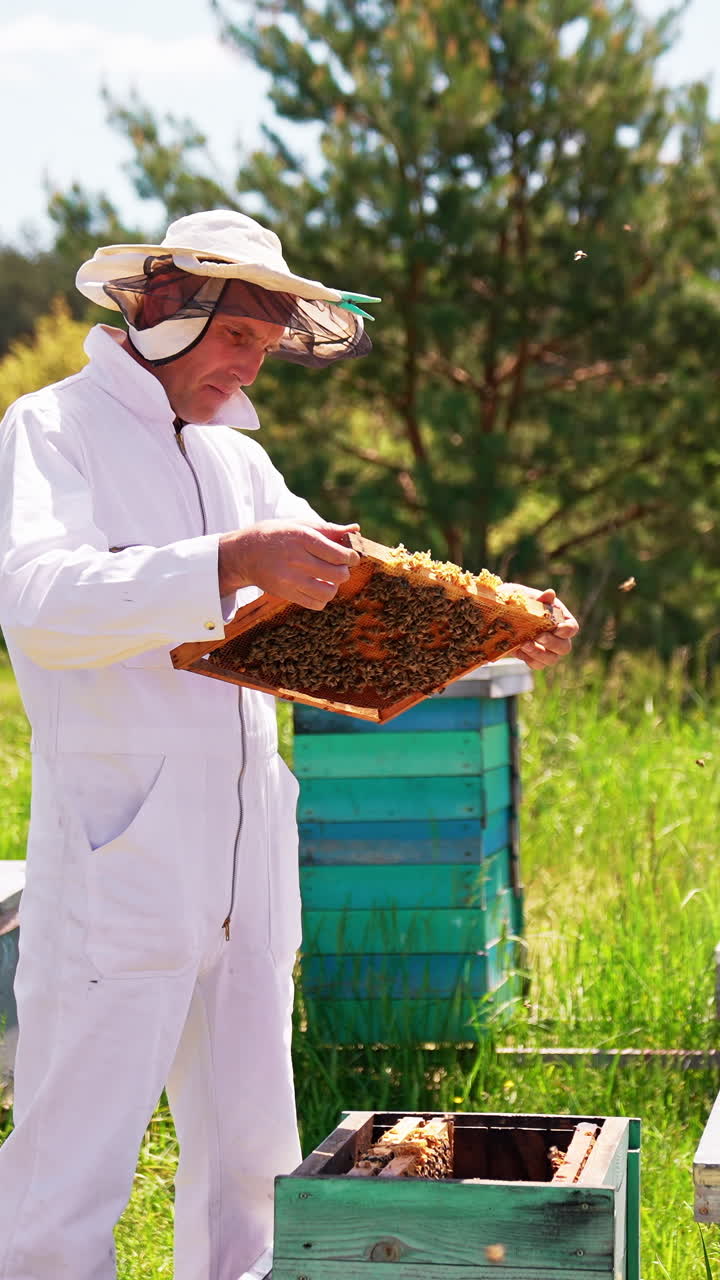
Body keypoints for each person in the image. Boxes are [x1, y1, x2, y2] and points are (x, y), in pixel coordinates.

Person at [0, 209, 578, 1280]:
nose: (252, 365)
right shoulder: (53, 428)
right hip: (120, 850)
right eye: (239, 338)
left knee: (253, 1171)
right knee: (67, 1172)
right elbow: (36, 602)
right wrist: (227, 558)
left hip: (247, 855)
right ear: (165, 305)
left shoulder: (236, 461)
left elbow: (340, 618)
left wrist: (488, 631)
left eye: (267, 348)